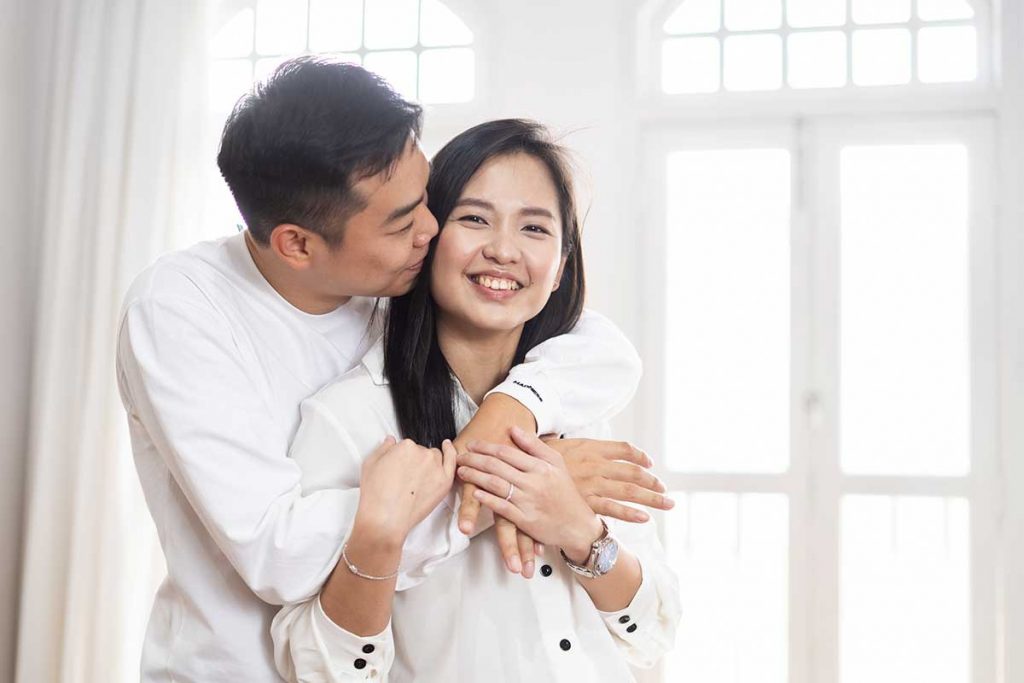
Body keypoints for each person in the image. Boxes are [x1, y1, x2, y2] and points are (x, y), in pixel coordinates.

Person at [116, 58, 670, 682]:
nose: (430, 231)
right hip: (235, 666)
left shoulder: (391, 282)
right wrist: (515, 482)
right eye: (408, 221)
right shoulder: (185, 313)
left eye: (427, 200)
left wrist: (514, 418)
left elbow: (594, 340)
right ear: (299, 245)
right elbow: (279, 551)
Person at [272, 119, 681, 682]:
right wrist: (380, 540)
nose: (504, 250)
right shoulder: (349, 418)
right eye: (474, 218)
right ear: (426, 238)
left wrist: (581, 533)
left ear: (561, 266)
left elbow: (653, 631)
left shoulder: (579, 406)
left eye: (535, 229)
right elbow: (316, 668)